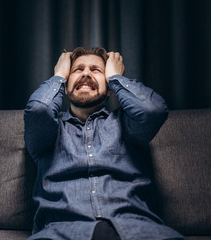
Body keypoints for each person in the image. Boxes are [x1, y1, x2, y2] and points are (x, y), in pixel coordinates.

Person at [24, 47, 184, 240]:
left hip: (135, 231)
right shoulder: (47, 132)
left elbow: (153, 110)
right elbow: (38, 111)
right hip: (62, 232)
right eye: (77, 70)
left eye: (96, 70)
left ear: (109, 88)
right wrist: (59, 75)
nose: (85, 74)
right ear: (65, 86)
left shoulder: (127, 125)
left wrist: (115, 77)